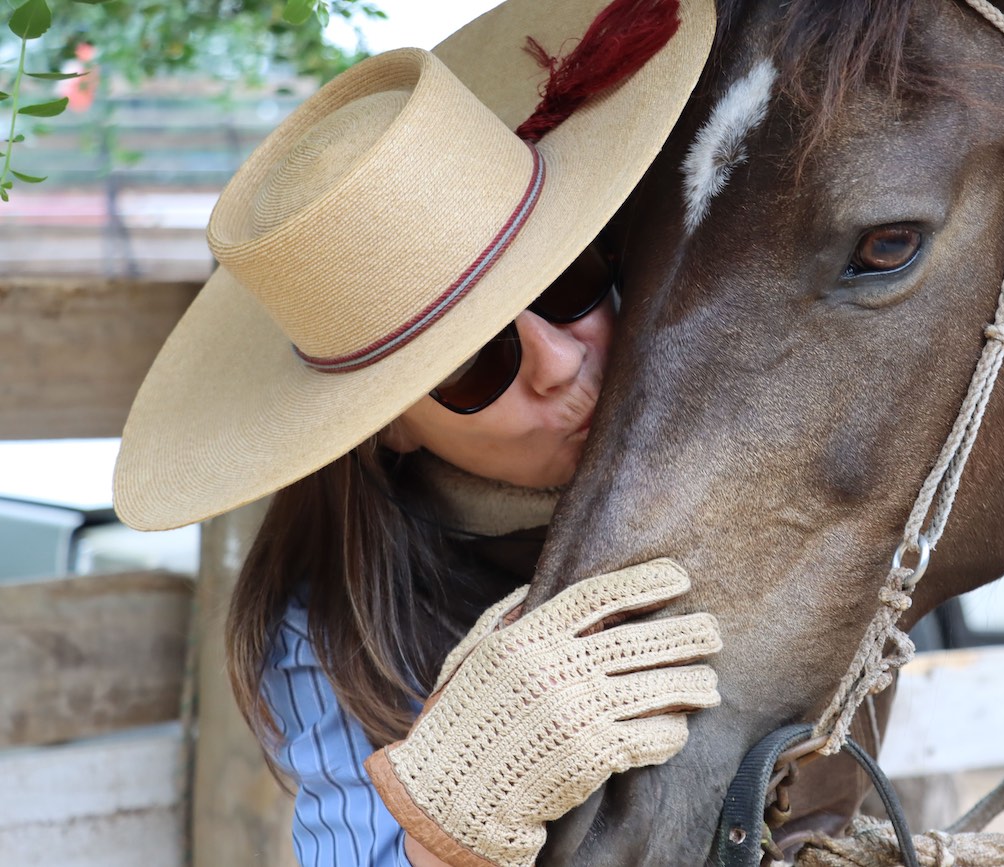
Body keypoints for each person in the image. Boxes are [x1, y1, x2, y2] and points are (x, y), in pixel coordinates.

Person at [112, 1, 719, 865]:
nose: (557, 360)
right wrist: (458, 819)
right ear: (389, 429)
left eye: (566, 283)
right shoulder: (338, 630)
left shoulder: (740, 430)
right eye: (477, 361)